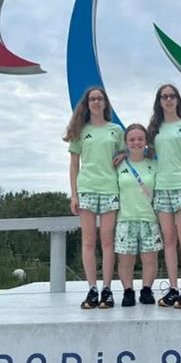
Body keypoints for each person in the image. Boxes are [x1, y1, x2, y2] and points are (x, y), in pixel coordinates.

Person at [64, 87, 124, 309]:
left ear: (105, 103)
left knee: (107, 242)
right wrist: (74, 194)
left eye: (100, 98)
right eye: (92, 99)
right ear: (87, 103)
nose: (96, 102)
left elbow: (125, 153)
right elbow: (73, 165)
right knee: (88, 242)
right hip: (87, 189)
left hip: (110, 189)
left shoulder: (115, 130)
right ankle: (92, 289)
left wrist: (124, 154)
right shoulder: (81, 131)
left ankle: (107, 289)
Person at [147, 84, 181, 309]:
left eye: (172, 96)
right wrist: (121, 156)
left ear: (177, 100)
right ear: (159, 101)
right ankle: (173, 288)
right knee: (168, 240)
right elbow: (141, 153)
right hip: (162, 188)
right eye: (164, 96)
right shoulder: (154, 129)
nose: (168, 100)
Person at [115, 123, 162, 307]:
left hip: (149, 218)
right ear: (126, 142)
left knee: (150, 259)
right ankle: (128, 291)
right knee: (126, 260)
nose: (136, 143)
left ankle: (147, 289)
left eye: (140, 139)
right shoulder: (118, 165)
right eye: (132, 139)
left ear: (146, 142)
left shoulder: (154, 165)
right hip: (125, 218)